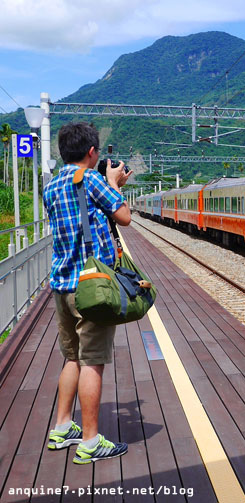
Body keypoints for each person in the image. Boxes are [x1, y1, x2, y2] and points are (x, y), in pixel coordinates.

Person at [43, 122, 132, 464]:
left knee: (72, 358)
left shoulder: (51, 186)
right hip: (91, 287)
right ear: (92, 152)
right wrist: (114, 184)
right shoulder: (92, 180)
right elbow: (124, 217)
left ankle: (63, 427)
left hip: (61, 285)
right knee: (92, 361)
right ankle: (91, 442)